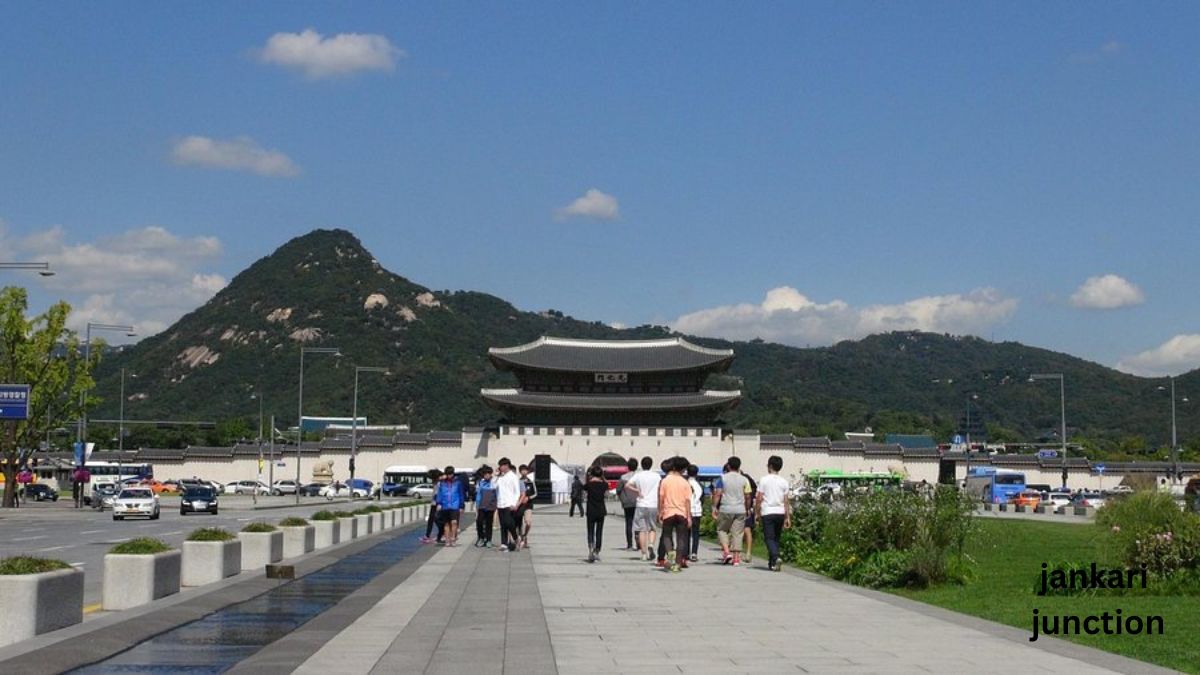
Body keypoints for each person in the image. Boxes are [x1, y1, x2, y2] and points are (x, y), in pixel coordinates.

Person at [657, 457, 693, 572]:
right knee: (681, 538)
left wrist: (660, 511)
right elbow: (688, 501)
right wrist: (689, 516)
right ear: (683, 469)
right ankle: (677, 564)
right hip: (681, 513)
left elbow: (661, 497)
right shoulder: (685, 482)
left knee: (667, 535)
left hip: (668, 512)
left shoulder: (666, 480)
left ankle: (670, 552)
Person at [713, 456, 750, 566]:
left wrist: (714, 507)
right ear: (739, 466)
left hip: (726, 508)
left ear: (728, 466)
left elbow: (718, 493)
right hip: (740, 509)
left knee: (722, 530)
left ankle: (726, 551)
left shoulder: (722, 478)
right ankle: (736, 558)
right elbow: (748, 496)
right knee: (737, 533)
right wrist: (747, 508)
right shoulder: (744, 480)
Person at [757, 455, 791, 571]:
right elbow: (786, 501)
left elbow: (759, 498)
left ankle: (776, 557)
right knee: (776, 538)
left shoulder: (764, 480)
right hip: (780, 512)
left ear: (770, 466)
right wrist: (787, 517)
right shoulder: (784, 482)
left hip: (768, 511)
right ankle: (772, 563)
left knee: (769, 538)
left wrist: (757, 512)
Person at [624, 456, 661, 561]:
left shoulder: (638, 475)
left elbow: (627, 485)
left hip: (641, 504)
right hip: (653, 504)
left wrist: (637, 491)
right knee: (652, 528)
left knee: (641, 530)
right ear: (651, 464)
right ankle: (651, 545)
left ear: (642, 464)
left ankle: (644, 554)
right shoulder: (657, 476)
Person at [495, 458, 524, 551]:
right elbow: (493, 486)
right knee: (503, 524)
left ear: (506, 465)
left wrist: (515, 504)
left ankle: (516, 538)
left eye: (501, 466)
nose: (500, 467)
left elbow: (517, 492)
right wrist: (496, 476)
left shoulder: (513, 476)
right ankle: (504, 543)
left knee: (509, 522)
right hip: (500, 503)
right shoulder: (500, 477)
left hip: (509, 503)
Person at [584, 465, 609, 562]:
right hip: (601, 510)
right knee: (599, 532)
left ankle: (590, 549)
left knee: (590, 531)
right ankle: (597, 551)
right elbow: (607, 495)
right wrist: (603, 479)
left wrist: (590, 478)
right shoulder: (604, 485)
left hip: (591, 510)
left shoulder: (589, 484)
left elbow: (584, 488)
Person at [435, 465, 464, 546]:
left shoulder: (458, 483)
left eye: (451, 474)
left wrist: (461, 506)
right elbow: (439, 494)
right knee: (447, 524)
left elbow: (461, 494)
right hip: (445, 505)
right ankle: (447, 540)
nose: (449, 475)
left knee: (454, 522)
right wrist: (439, 503)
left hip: (455, 505)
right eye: (448, 474)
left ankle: (453, 538)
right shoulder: (442, 483)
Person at [616, 457, 639, 549]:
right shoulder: (639, 477)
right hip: (638, 502)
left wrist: (622, 498)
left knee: (629, 523)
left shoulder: (623, 477)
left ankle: (629, 544)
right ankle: (639, 543)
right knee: (638, 523)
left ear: (628, 467)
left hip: (627, 502)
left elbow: (618, 490)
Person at [421, 468, 445, 544]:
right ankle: (427, 535)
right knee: (431, 520)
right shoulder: (436, 482)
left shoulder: (440, 483)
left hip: (437, 504)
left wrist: (439, 503)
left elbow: (438, 494)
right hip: (434, 503)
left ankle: (443, 533)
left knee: (436, 519)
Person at [475, 466, 497, 547]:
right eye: (485, 474)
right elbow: (478, 495)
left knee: (489, 524)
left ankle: (488, 540)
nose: (487, 475)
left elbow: (496, 494)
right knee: (479, 522)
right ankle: (481, 537)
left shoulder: (494, 482)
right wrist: (477, 505)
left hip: (491, 506)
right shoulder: (480, 482)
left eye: (489, 474)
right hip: (481, 506)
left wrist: (496, 506)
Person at [687, 464, 704, 562]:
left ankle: (686, 552)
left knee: (686, 534)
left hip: (687, 511)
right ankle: (694, 553)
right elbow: (702, 499)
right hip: (697, 511)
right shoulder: (699, 485)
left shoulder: (685, 483)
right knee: (696, 533)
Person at [518, 464, 537, 549]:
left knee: (528, 522)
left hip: (528, 505)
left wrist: (528, 497)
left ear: (528, 471)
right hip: (519, 505)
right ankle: (521, 539)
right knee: (519, 524)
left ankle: (525, 535)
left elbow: (536, 493)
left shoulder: (531, 482)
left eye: (525, 470)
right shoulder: (518, 481)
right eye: (522, 470)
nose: (524, 472)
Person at [742, 470, 758, 563]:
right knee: (747, 531)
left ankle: (738, 553)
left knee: (737, 531)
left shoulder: (744, 489)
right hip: (748, 510)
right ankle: (748, 552)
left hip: (741, 509)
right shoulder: (752, 492)